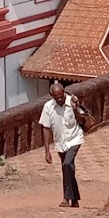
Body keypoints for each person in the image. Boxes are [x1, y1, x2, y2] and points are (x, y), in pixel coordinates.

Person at [40, 79, 87, 207]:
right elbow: (46, 127)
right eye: (57, 98)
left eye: (61, 97)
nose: (60, 100)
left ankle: (67, 198)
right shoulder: (48, 107)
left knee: (67, 164)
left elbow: (81, 121)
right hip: (60, 142)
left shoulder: (72, 101)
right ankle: (73, 199)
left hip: (74, 138)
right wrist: (47, 151)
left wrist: (75, 108)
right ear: (52, 97)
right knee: (67, 169)